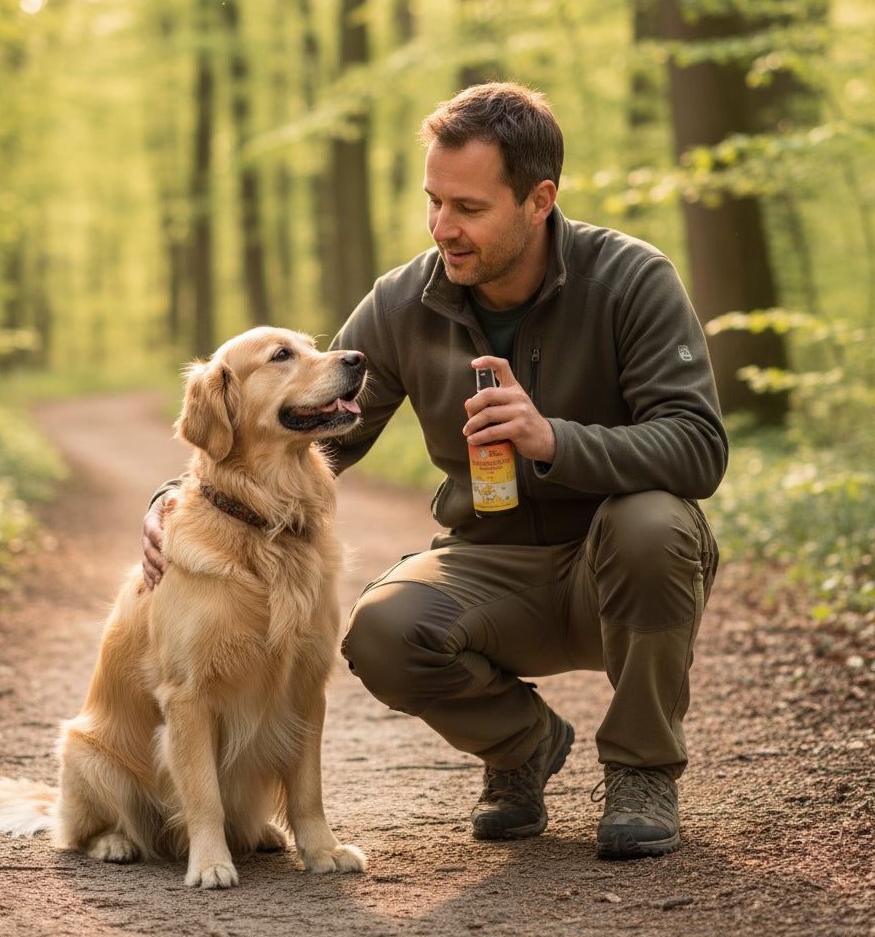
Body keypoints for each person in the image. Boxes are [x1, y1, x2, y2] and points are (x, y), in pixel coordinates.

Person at [142, 83, 726, 860]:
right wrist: (177, 503)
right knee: (382, 630)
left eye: (470, 209)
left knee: (652, 523)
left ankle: (643, 771)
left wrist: (553, 440)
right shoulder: (404, 302)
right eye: (433, 202)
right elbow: (301, 433)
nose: (444, 228)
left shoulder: (630, 281)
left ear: (538, 199)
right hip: (490, 566)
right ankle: (521, 747)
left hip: (615, 567)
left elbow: (697, 447)